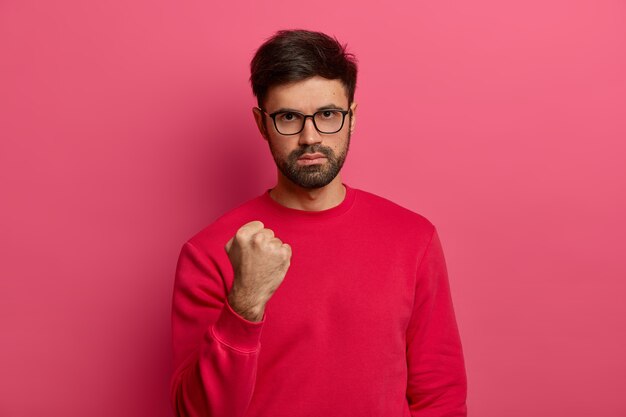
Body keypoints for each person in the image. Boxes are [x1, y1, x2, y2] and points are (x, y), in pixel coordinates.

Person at [169, 29, 467, 417]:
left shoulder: (414, 238)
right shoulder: (211, 252)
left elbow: (439, 395)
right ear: (261, 124)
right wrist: (245, 302)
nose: (310, 137)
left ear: (352, 118)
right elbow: (196, 412)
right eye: (289, 117)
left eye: (327, 114)